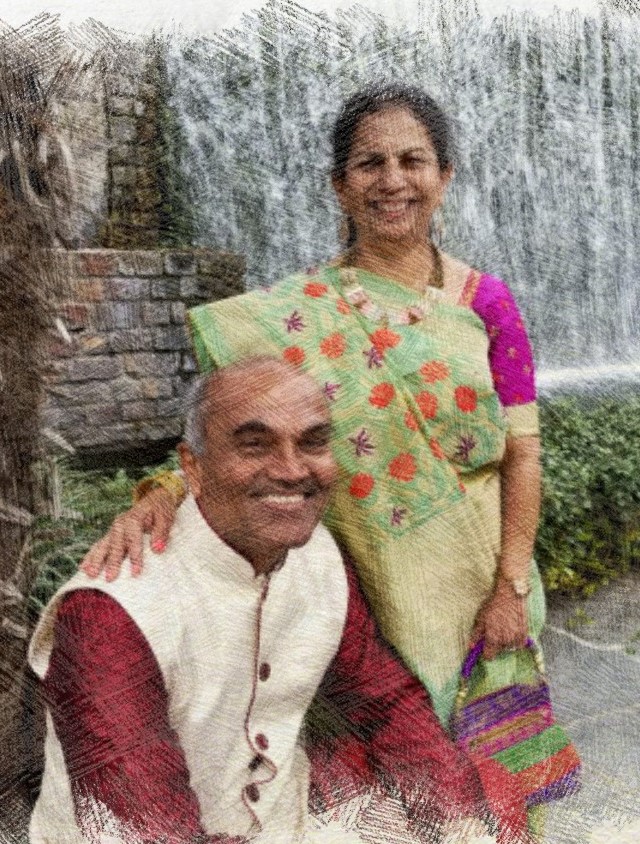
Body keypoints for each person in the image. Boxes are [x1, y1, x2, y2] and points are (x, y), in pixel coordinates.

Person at [82, 83, 571, 832]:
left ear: (444, 176)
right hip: (366, 589)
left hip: (482, 587)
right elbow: (236, 429)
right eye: (370, 163)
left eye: (412, 161)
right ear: (340, 185)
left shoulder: (487, 303)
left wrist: (510, 585)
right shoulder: (292, 314)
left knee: (497, 775)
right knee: (395, 778)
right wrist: (159, 494)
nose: (392, 180)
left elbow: (522, 455)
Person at [30, 359, 523, 844]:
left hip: (289, 819)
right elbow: (149, 828)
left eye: (312, 443)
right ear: (193, 467)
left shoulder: (317, 555)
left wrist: (463, 825)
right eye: (255, 445)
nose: (291, 470)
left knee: (488, 801)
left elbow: (386, 704)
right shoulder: (109, 613)